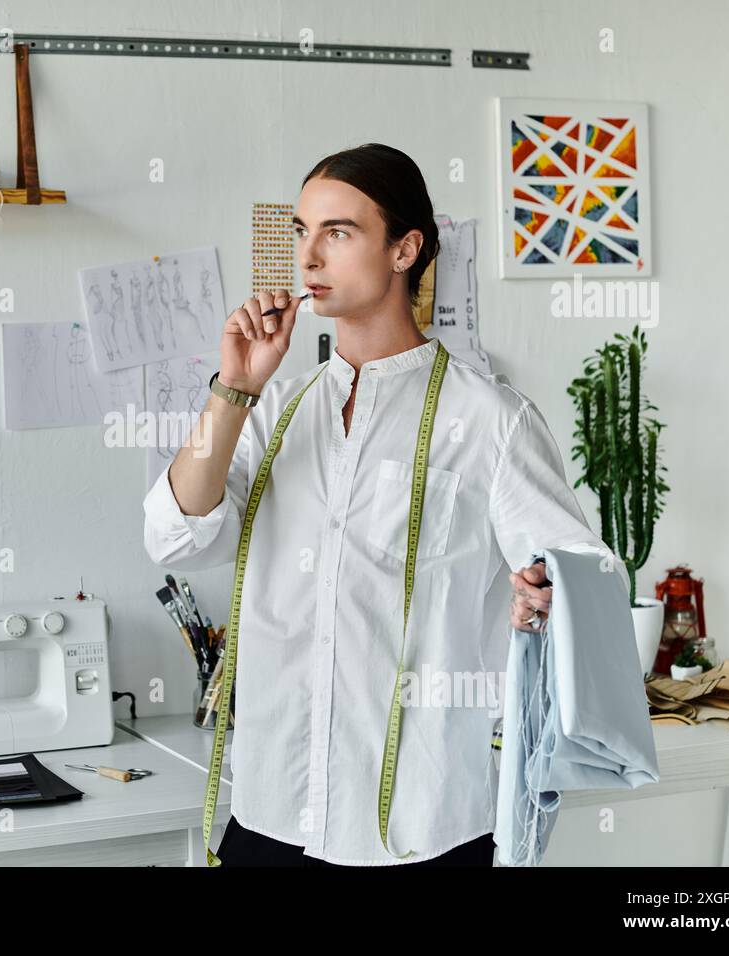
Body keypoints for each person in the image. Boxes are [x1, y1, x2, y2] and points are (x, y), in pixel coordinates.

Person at [142, 143, 629, 867]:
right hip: (274, 811)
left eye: (338, 232)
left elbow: (586, 579)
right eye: (302, 231)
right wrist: (233, 388)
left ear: (405, 248)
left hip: (420, 825)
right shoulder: (273, 405)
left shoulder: (490, 419)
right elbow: (175, 539)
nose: (310, 256)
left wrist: (545, 592)